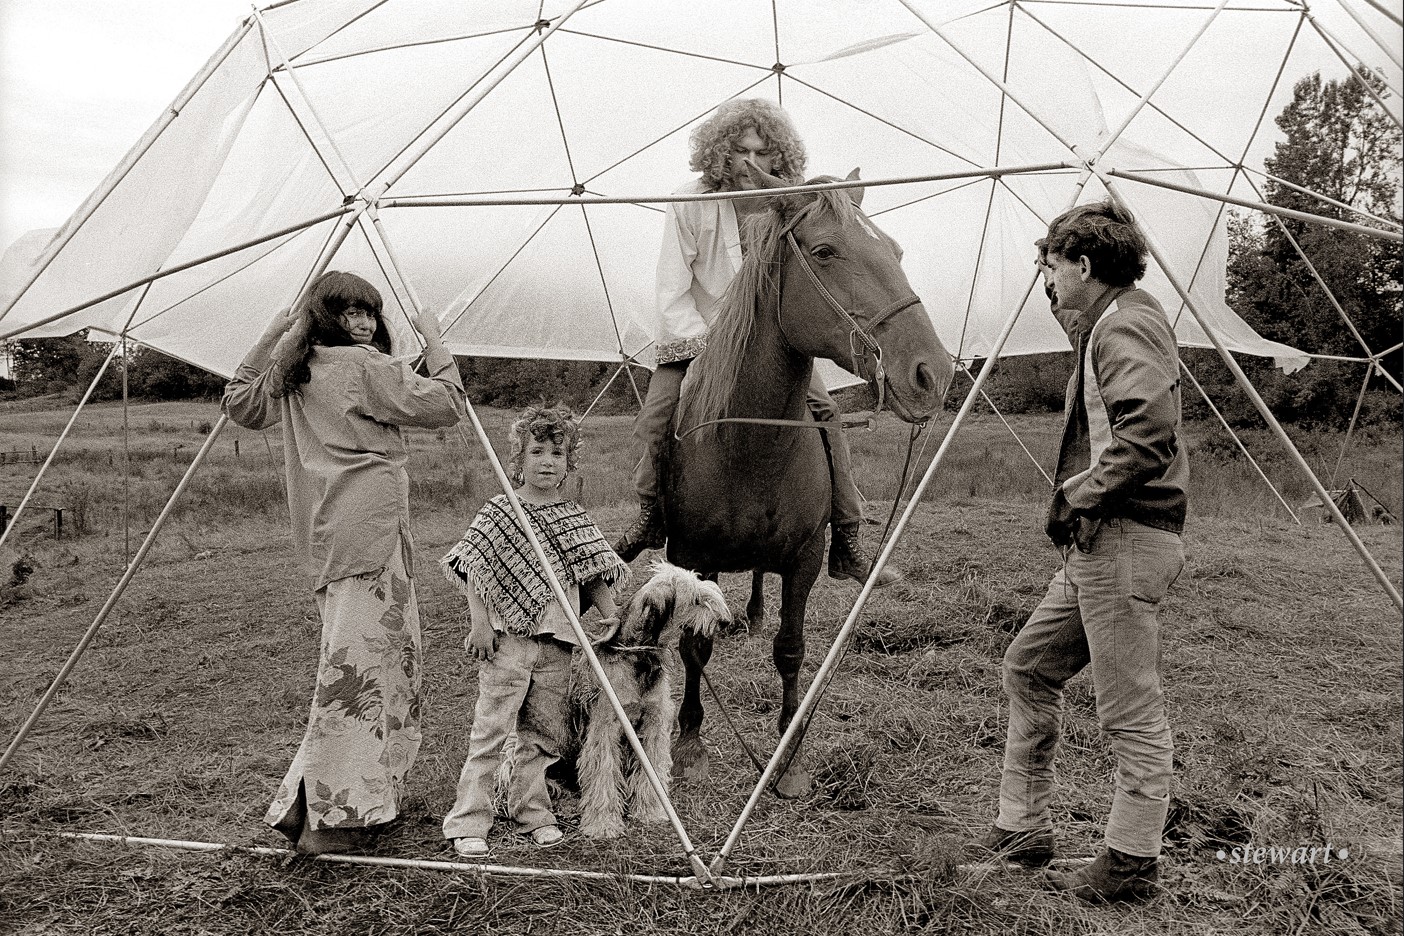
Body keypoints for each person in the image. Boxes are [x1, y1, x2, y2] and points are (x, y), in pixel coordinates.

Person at [970, 200, 1188, 902]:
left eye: (1052, 266)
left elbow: (1149, 427)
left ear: (1083, 264)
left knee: (1129, 710)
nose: (1049, 281)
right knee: (1030, 667)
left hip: (1122, 538)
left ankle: (1130, 862)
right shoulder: (1114, 321)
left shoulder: (1124, 324)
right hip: (1102, 544)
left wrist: (1081, 495)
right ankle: (1023, 829)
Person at [223, 271, 466, 855]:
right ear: (326, 317)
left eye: (369, 313)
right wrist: (434, 341)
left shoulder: (296, 374)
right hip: (371, 532)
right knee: (362, 677)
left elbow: (239, 400)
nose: (362, 324)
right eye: (349, 313)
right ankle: (334, 821)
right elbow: (448, 406)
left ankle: (316, 808)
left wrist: (275, 334)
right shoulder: (365, 368)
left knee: (352, 668)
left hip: (332, 536)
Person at [613, 97, 901, 587]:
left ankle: (848, 535)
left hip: (772, 351)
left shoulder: (788, 204)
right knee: (658, 415)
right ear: (720, 154)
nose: (753, 163)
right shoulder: (691, 202)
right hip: (698, 343)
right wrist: (709, 348)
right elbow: (671, 288)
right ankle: (650, 516)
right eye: (741, 151)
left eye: (765, 152)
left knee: (827, 414)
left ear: (780, 155)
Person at [439, 403, 629, 858]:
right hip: (507, 642)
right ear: (518, 459)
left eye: (557, 454)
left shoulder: (572, 518)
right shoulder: (503, 511)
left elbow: (594, 573)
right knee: (490, 731)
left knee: (542, 737)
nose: (547, 461)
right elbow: (474, 568)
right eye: (537, 451)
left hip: (560, 643)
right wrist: (480, 623)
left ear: (568, 463)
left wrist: (610, 614)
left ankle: (533, 813)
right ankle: (470, 820)